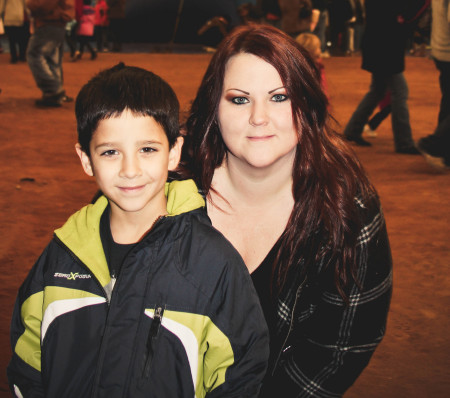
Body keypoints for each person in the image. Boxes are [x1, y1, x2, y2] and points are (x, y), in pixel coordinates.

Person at [7, 63, 269, 398]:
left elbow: (241, 371)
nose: (130, 170)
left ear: (174, 151)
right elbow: (28, 358)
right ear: (86, 158)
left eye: (147, 149)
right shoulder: (62, 254)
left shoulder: (213, 264)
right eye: (110, 152)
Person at [181, 24, 392, 397]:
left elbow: (341, 348)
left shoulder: (347, 210)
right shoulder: (165, 191)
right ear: (214, 106)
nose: (259, 117)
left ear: (307, 104)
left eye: (279, 97)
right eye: (239, 99)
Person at [343, 0, 430, 153]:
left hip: (379, 42)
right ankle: (404, 142)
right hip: (386, 45)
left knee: (378, 90)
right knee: (400, 91)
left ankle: (353, 130)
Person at [417, 0, 450, 170]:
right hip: (448, 51)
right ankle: (434, 144)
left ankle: (445, 151)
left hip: (440, 50)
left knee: (447, 100)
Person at [26, 0, 74, 107]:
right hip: (57, 24)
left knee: (35, 54)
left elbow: (42, 5)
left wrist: (29, 3)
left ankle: (53, 90)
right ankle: (55, 91)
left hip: (48, 24)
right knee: (52, 59)